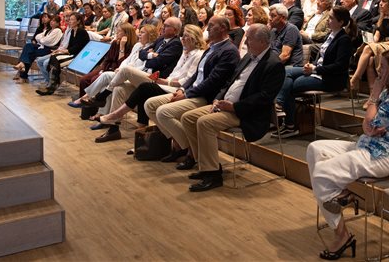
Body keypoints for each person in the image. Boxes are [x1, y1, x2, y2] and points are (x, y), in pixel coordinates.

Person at [308, 48, 389, 260]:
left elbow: (368, 124)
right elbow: (369, 127)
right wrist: (372, 119)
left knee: (322, 173)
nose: (378, 69)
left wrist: (374, 96)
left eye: (384, 66)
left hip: (384, 156)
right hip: (369, 146)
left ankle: (341, 235)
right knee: (315, 149)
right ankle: (340, 195)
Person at [180, 23, 285, 191]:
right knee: (188, 118)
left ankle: (212, 174)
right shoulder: (248, 56)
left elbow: (264, 98)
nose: (245, 42)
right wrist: (217, 99)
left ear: (262, 41)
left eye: (249, 39)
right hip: (226, 105)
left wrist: (234, 107)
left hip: (246, 113)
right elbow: (229, 82)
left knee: (204, 123)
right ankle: (205, 163)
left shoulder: (274, 64)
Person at [144, 17, 240, 166]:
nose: (207, 28)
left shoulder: (229, 51)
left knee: (163, 112)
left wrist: (187, 94)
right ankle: (184, 145)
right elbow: (196, 75)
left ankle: (189, 150)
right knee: (150, 105)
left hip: (204, 96)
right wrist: (182, 89)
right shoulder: (211, 47)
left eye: (211, 25)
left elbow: (213, 81)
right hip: (191, 90)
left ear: (222, 28)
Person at [99, 24, 206, 143]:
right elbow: (142, 55)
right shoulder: (178, 49)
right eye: (183, 36)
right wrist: (151, 57)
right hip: (163, 81)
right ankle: (114, 129)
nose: (182, 39)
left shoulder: (195, 54)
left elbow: (186, 80)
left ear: (194, 38)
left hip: (175, 88)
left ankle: (109, 105)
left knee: (140, 84)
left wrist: (165, 80)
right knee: (120, 88)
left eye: (185, 36)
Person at [275, 6, 354, 138]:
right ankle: (281, 108)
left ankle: (288, 122)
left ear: (340, 22)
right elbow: (322, 57)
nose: (327, 20)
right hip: (318, 71)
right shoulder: (331, 35)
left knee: (292, 84)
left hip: (330, 78)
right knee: (286, 71)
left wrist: (315, 69)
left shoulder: (344, 39)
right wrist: (312, 65)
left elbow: (339, 66)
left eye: (331, 18)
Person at [349, 0, 389, 95]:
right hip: (381, 46)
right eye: (380, 1)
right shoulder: (383, 17)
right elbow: (376, 38)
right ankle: (373, 93)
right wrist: (369, 41)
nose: (380, 4)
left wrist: (377, 45)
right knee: (370, 59)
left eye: (383, 1)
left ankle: (355, 78)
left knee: (368, 49)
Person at [36, 12, 89, 95]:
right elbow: (70, 46)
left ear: (78, 21)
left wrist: (64, 51)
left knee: (54, 59)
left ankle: (51, 86)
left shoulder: (82, 32)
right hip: (70, 53)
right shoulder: (72, 31)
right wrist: (60, 51)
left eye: (72, 20)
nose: (69, 21)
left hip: (78, 56)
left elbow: (77, 47)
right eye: (69, 19)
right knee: (53, 57)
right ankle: (51, 85)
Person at [13, 14, 63, 82]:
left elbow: (46, 41)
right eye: (51, 20)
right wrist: (43, 39)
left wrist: (42, 39)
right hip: (42, 46)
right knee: (28, 46)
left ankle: (22, 71)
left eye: (54, 21)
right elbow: (37, 37)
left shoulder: (57, 30)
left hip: (49, 49)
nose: (51, 22)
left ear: (57, 23)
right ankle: (22, 67)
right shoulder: (49, 30)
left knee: (30, 54)